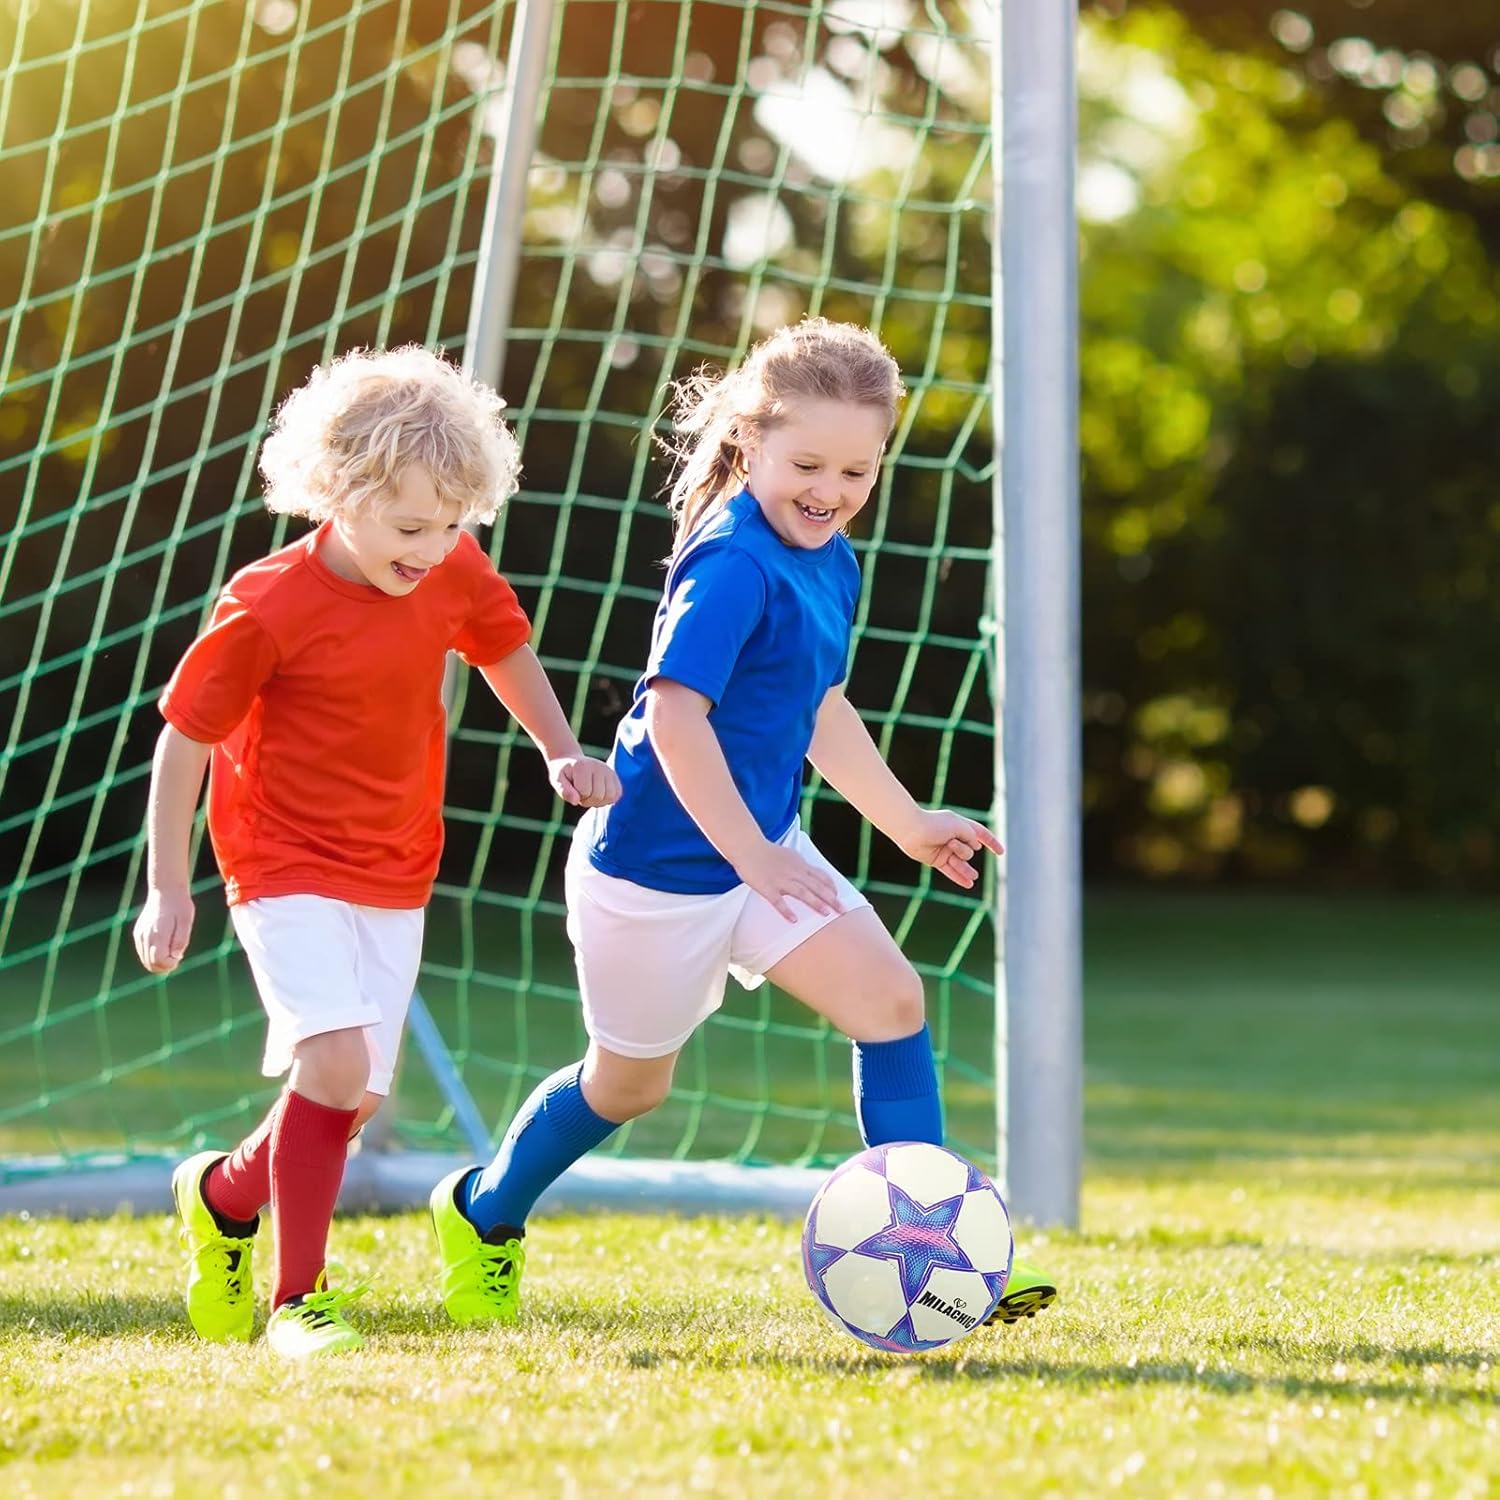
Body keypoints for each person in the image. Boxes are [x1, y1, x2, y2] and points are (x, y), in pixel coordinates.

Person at [428, 319, 1057, 1329]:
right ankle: (484, 1211)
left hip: (762, 855)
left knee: (894, 1002)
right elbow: (676, 718)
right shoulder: (730, 560)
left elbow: (819, 705)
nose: (830, 488)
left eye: (856, 469)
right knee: (628, 1086)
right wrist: (753, 857)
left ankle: (939, 1260)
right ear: (750, 442)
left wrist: (902, 822)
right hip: (656, 876)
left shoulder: (831, 557)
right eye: (807, 462)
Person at [133, 345, 620, 1359]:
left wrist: (562, 748)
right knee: (335, 1060)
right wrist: (167, 888)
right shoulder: (267, 605)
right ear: (339, 493)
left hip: (397, 864)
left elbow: (501, 646)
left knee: (348, 1098)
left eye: (454, 524)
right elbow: (185, 739)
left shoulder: (451, 565)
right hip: (278, 858)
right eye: (411, 526)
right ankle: (296, 1303)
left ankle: (223, 1196)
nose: (435, 547)